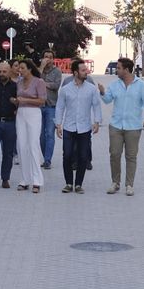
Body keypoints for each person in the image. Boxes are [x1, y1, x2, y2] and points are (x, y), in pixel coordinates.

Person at [97, 56, 144, 196]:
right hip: (116, 125)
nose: (117, 70)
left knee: (131, 156)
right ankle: (115, 183)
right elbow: (108, 100)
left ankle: (129, 185)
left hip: (133, 126)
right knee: (114, 154)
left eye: (119, 68)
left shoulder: (140, 85)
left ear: (126, 70)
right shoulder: (115, 85)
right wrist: (103, 92)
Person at [54, 60, 102, 194]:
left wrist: (97, 122)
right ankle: (69, 183)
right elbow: (60, 107)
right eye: (83, 70)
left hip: (85, 127)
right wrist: (58, 125)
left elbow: (96, 105)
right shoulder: (65, 89)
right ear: (75, 72)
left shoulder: (91, 89)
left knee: (83, 156)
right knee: (67, 155)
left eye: (86, 70)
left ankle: (79, 184)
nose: (86, 72)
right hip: (69, 127)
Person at [13, 58, 47, 192]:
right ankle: (24, 179)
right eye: (19, 68)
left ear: (30, 69)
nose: (19, 70)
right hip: (21, 113)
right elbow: (18, 98)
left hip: (34, 113)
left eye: (22, 68)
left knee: (33, 145)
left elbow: (42, 101)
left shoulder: (39, 82)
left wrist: (25, 99)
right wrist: (15, 101)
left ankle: (37, 180)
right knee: (21, 145)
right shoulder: (19, 82)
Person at [39, 50, 62, 169]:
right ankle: (45, 157)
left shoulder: (57, 71)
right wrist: (41, 67)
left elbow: (56, 86)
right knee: (41, 135)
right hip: (39, 106)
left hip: (51, 106)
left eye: (50, 57)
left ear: (53, 59)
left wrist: (44, 83)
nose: (48, 59)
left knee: (50, 134)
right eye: (46, 57)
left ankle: (48, 160)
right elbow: (35, 81)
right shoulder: (39, 70)